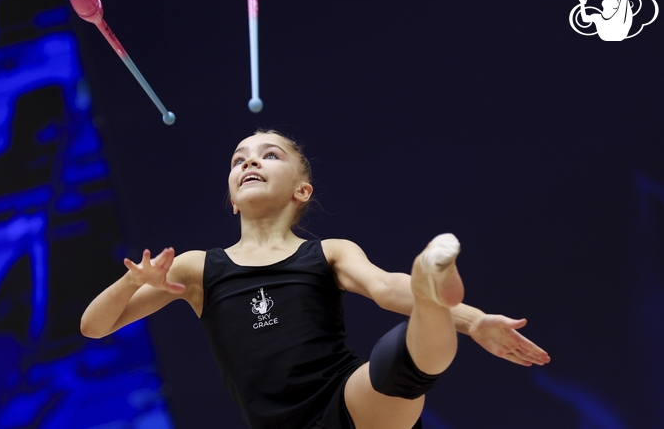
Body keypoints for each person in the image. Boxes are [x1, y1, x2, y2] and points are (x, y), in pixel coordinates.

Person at [81, 130, 551, 429]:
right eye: (238, 159)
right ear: (231, 198)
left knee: (400, 358)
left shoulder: (327, 253)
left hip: (349, 402)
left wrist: (474, 322)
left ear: (301, 190)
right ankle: (432, 288)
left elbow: (387, 288)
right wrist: (131, 282)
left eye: (269, 155)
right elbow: (94, 326)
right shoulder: (195, 267)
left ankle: (432, 282)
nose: (249, 163)